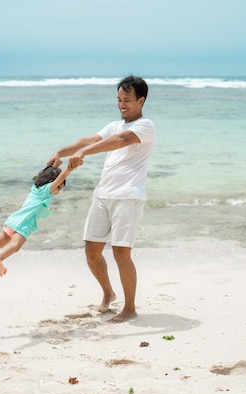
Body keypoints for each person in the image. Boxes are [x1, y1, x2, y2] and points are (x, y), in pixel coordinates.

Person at [47, 75, 156, 323]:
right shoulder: (113, 125)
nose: (122, 105)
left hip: (128, 197)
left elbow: (118, 142)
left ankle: (130, 308)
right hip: (103, 195)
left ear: (141, 100)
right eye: (119, 99)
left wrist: (83, 153)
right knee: (92, 250)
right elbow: (91, 140)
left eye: (127, 100)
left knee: (121, 252)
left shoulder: (145, 126)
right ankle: (108, 293)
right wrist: (61, 151)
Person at [0, 165, 73, 277]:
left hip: (13, 220)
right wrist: (70, 167)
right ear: (52, 182)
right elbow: (61, 177)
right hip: (24, 223)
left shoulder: (36, 188)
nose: (58, 191)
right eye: (59, 187)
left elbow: (50, 171)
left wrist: (54, 164)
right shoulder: (47, 190)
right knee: (15, 246)